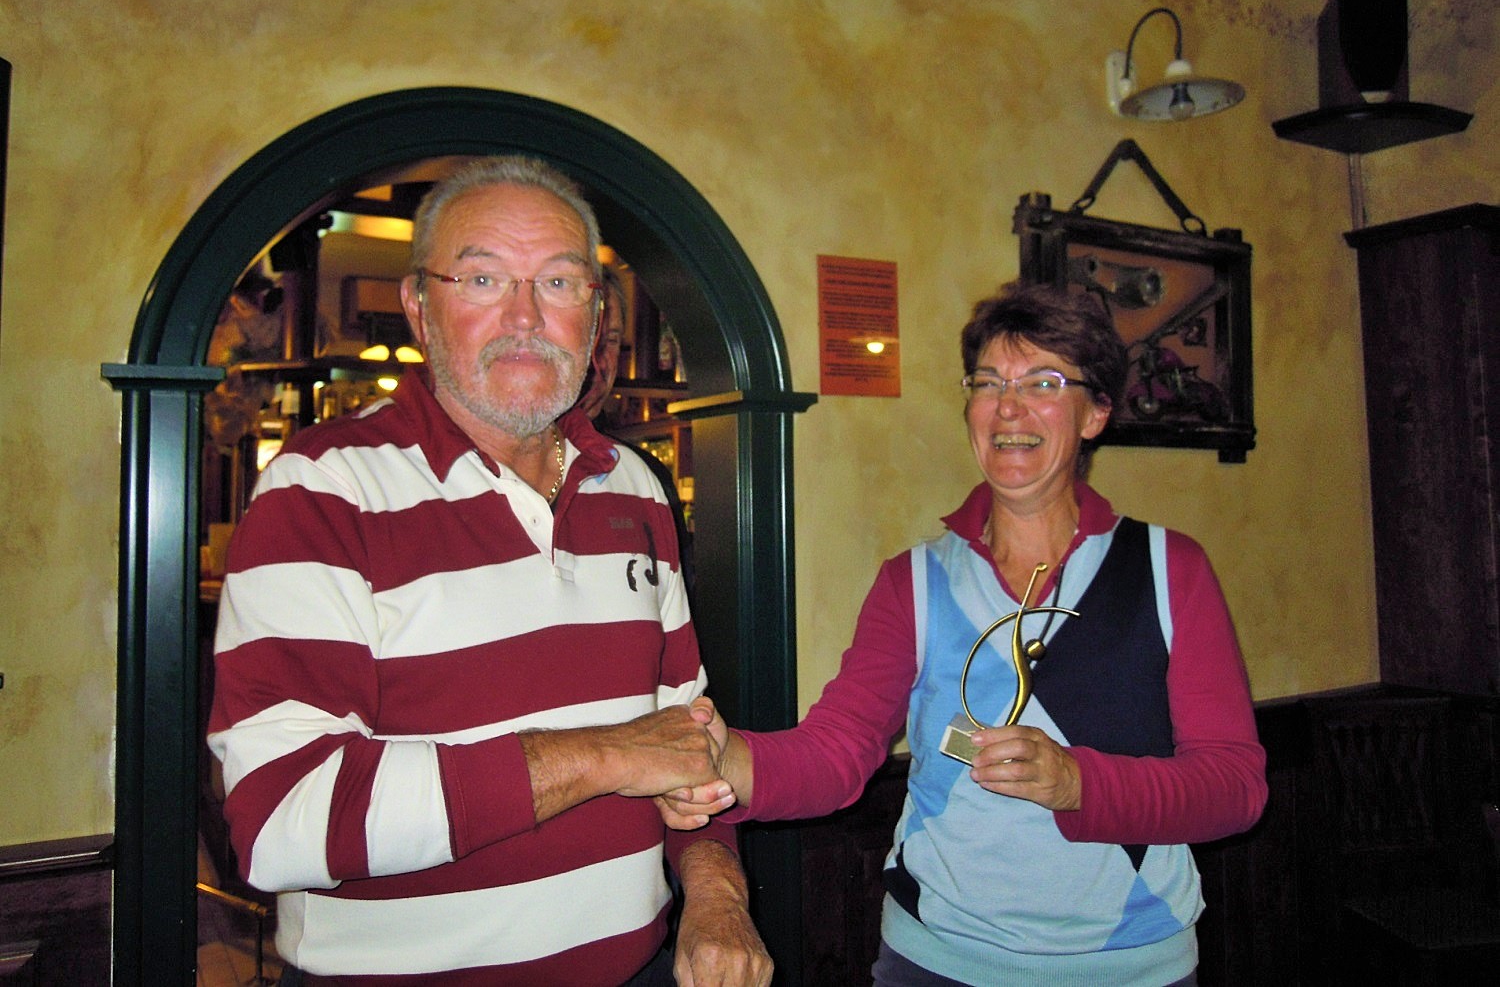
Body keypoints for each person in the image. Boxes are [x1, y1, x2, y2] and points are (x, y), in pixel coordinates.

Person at [208, 155, 771, 986]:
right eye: (482, 278)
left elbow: (687, 744)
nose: (525, 317)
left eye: (559, 283)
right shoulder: (322, 488)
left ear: (595, 315)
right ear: (418, 305)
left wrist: (717, 894)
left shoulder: (635, 486)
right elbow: (280, 817)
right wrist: (603, 757)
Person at [666, 281, 1267, 985]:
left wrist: (1078, 783)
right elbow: (837, 751)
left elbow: (1234, 787)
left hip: (1135, 963)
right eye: (988, 382)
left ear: (1097, 412)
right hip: (938, 959)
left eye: (1043, 382)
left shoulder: (1168, 568)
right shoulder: (914, 581)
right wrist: (729, 761)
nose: (1008, 406)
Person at [576, 267, 695, 595]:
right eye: (587, 336)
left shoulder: (645, 477)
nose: (599, 360)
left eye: (611, 340)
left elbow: (678, 601)